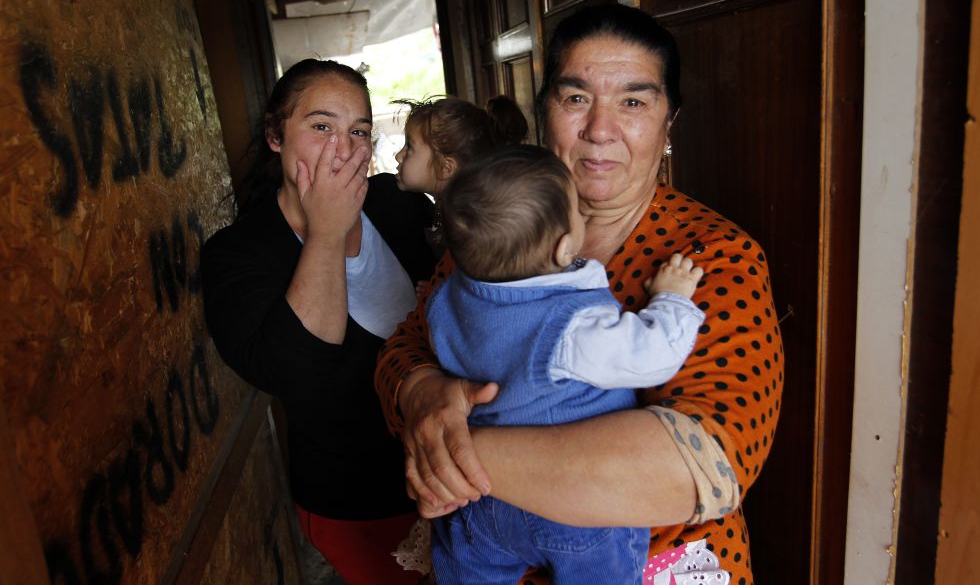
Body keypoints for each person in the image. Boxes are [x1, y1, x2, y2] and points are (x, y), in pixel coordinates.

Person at [375, 4, 784, 585]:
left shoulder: (711, 258)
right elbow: (403, 350)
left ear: (670, 124)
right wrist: (422, 390)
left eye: (634, 102)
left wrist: (454, 454)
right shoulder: (498, 236)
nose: (599, 129)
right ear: (545, 114)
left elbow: (702, 465)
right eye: (575, 99)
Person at [201, 59, 436, 585]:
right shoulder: (238, 254)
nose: (343, 148)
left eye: (359, 131)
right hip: (360, 503)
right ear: (275, 136)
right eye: (321, 126)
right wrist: (326, 232)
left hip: (459, 475)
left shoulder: (400, 207)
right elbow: (297, 375)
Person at [426, 146, 705, 584]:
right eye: (575, 209)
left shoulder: (447, 301)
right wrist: (672, 298)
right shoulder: (572, 325)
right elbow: (653, 357)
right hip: (578, 513)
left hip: (484, 504)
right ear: (563, 247)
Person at [392, 96, 527, 254]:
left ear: (445, 168)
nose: (398, 156)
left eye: (409, 148)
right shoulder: (446, 211)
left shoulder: (466, 226)